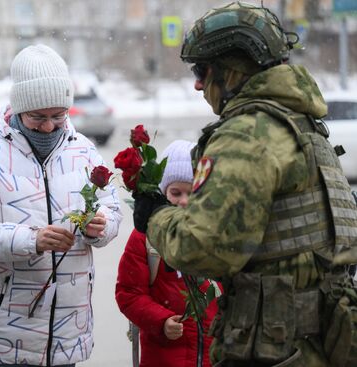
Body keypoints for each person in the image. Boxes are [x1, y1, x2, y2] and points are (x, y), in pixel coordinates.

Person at [132, 2, 357, 367]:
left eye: (203, 70)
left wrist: (156, 218)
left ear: (233, 71)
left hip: (276, 347)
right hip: (319, 343)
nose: (197, 83)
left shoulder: (248, 134)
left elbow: (204, 249)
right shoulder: (305, 126)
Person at [0, 44, 122, 367]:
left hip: (67, 332)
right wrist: (31, 240)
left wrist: (101, 225)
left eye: (58, 116)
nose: (48, 127)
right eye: (37, 118)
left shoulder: (83, 151)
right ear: (17, 110)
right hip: (3, 332)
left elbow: (111, 207)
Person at [116, 140, 219, 367]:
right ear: (163, 192)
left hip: (216, 354)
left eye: (191, 193)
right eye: (175, 192)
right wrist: (161, 321)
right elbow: (129, 293)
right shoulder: (146, 237)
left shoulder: (217, 234)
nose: (183, 201)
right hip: (165, 356)